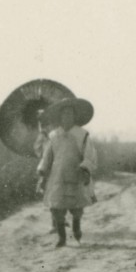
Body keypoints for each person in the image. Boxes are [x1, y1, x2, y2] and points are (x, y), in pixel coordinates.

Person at [37, 97, 97, 247]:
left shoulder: (82, 135)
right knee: (56, 207)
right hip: (57, 175)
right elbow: (47, 156)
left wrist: (85, 169)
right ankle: (61, 238)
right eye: (64, 114)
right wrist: (43, 173)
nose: (67, 117)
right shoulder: (53, 135)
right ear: (60, 117)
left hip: (76, 173)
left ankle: (76, 226)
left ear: (75, 116)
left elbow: (89, 154)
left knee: (76, 206)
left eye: (70, 114)